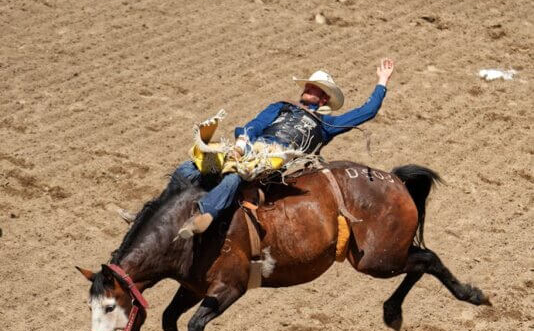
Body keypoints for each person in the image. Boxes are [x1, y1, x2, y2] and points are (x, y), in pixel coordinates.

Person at [121, 60, 394, 237]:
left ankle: (206, 214)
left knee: (236, 177)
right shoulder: (280, 107)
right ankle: (150, 214)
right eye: (309, 85)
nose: (308, 88)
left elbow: (366, 111)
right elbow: (254, 124)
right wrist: (242, 143)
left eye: (314, 87)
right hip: (250, 149)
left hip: (279, 163)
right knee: (188, 168)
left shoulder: (326, 124)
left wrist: (382, 81)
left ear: (323, 97)